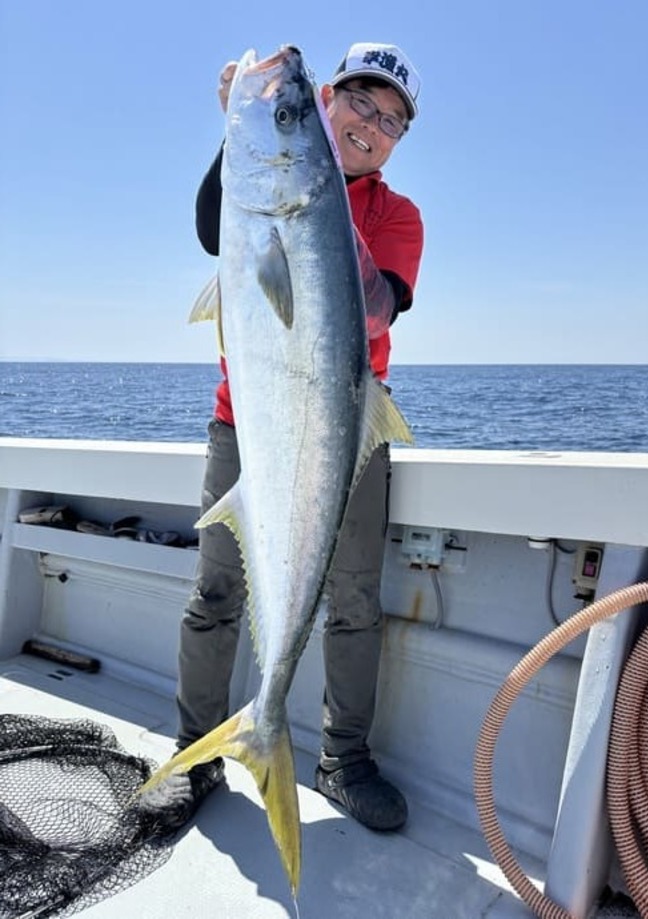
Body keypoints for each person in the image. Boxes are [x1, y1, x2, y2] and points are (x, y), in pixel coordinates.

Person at [141, 42, 424, 835]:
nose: (373, 125)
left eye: (392, 120)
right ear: (328, 99)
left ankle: (343, 758)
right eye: (361, 102)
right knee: (216, 590)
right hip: (246, 420)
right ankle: (195, 750)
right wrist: (250, 131)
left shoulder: (398, 216)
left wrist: (312, 198)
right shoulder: (264, 177)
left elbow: (378, 307)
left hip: (347, 429)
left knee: (356, 601)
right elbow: (213, 228)